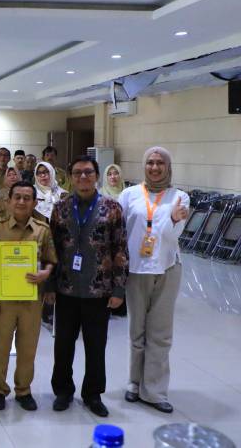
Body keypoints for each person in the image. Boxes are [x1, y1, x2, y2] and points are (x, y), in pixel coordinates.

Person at [48, 156, 129, 417]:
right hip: (66, 288)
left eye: (88, 172)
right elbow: (51, 249)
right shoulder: (60, 208)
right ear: (71, 177)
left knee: (95, 346)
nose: (83, 177)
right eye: (77, 173)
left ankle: (93, 394)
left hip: (99, 289)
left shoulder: (112, 208)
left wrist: (119, 289)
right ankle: (63, 390)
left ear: (96, 176)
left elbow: (120, 249)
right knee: (63, 344)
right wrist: (49, 285)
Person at [118, 146, 189, 414]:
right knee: (137, 331)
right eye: (150, 162)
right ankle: (134, 383)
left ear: (168, 167)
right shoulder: (130, 195)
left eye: (160, 163)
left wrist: (172, 218)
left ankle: (155, 390)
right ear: (144, 166)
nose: (155, 167)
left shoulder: (179, 197)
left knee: (160, 334)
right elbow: (119, 230)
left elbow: (172, 236)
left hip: (167, 268)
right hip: (136, 269)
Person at [0, 180, 57, 412]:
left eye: (27, 198)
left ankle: (23, 390)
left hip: (31, 299)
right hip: (3, 299)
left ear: (34, 203)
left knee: (27, 347)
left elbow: (50, 260)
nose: (22, 202)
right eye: (18, 197)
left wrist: (46, 273)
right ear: (9, 201)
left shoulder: (42, 229)